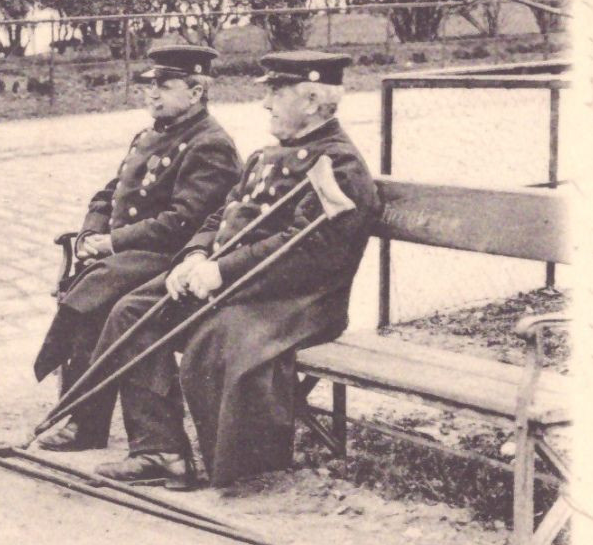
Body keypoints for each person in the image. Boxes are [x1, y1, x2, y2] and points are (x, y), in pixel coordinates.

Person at [90, 50, 380, 490]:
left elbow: (311, 253)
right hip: (237, 282)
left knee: (216, 335)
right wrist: (194, 256)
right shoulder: (267, 155)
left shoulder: (338, 164)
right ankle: (160, 451)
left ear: (312, 101)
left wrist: (224, 272)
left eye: (276, 93)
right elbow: (220, 216)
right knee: (134, 310)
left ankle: (242, 467)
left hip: (297, 300)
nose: (265, 103)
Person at [32, 42, 241, 451]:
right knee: (95, 289)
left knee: (98, 293)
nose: (152, 93)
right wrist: (90, 234)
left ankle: (81, 420)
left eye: (165, 85)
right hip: (136, 255)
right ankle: (81, 419)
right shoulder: (148, 135)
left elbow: (182, 223)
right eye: (150, 84)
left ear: (196, 92)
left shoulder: (209, 144)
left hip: (171, 259)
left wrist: (112, 243)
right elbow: (110, 193)